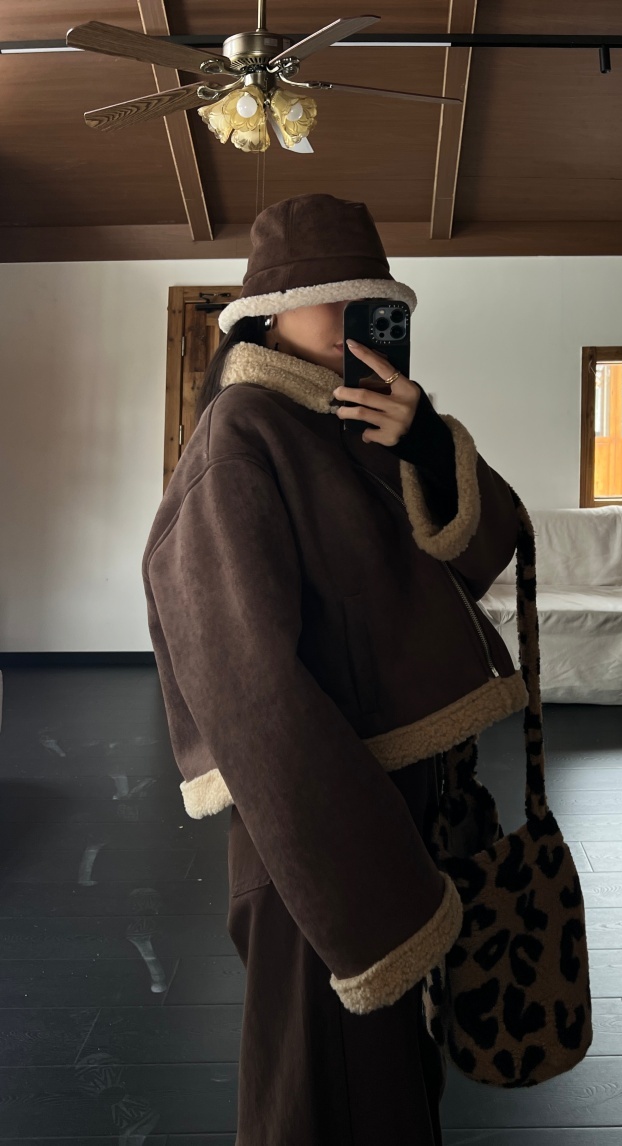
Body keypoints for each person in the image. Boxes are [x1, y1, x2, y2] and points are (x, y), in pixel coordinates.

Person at [141, 193, 529, 1145]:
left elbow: (489, 552)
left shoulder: (353, 420)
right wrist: (363, 887)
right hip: (323, 827)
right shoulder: (243, 436)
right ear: (271, 314)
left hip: (410, 799)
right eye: (335, 297)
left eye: (373, 300)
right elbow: (248, 694)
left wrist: (427, 442)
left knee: (392, 1081)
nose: (359, 317)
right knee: (322, 1093)